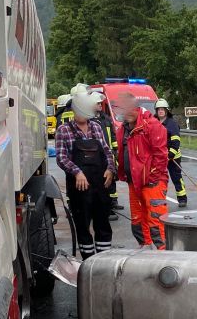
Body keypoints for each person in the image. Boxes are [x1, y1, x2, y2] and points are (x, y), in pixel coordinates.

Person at [55, 92, 116, 259]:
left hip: (100, 186)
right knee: (82, 226)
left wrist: (110, 169)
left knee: (103, 225)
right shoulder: (64, 130)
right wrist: (77, 172)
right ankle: (88, 262)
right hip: (79, 189)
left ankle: (103, 262)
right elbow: (61, 158)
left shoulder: (96, 127)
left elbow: (107, 151)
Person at [113, 93, 169, 249]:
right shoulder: (122, 130)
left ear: (136, 108)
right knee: (137, 220)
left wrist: (152, 178)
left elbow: (161, 155)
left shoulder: (152, 125)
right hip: (134, 181)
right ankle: (144, 249)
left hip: (152, 182)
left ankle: (163, 253)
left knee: (156, 220)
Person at [90, 91, 121, 219]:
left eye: (100, 103)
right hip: (97, 156)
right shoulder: (89, 120)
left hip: (108, 154)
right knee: (99, 181)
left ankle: (110, 205)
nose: (100, 105)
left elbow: (112, 136)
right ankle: (102, 210)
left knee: (110, 179)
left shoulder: (106, 119)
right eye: (97, 103)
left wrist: (115, 150)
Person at [155, 98, 187, 208]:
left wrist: (170, 155)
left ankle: (182, 198)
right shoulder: (154, 123)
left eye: (162, 109)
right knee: (159, 179)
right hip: (160, 157)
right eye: (158, 109)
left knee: (176, 178)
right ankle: (159, 198)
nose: (160, 111)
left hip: (173, 156)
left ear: (166, 110)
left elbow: (176, 141)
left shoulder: (172, 124)